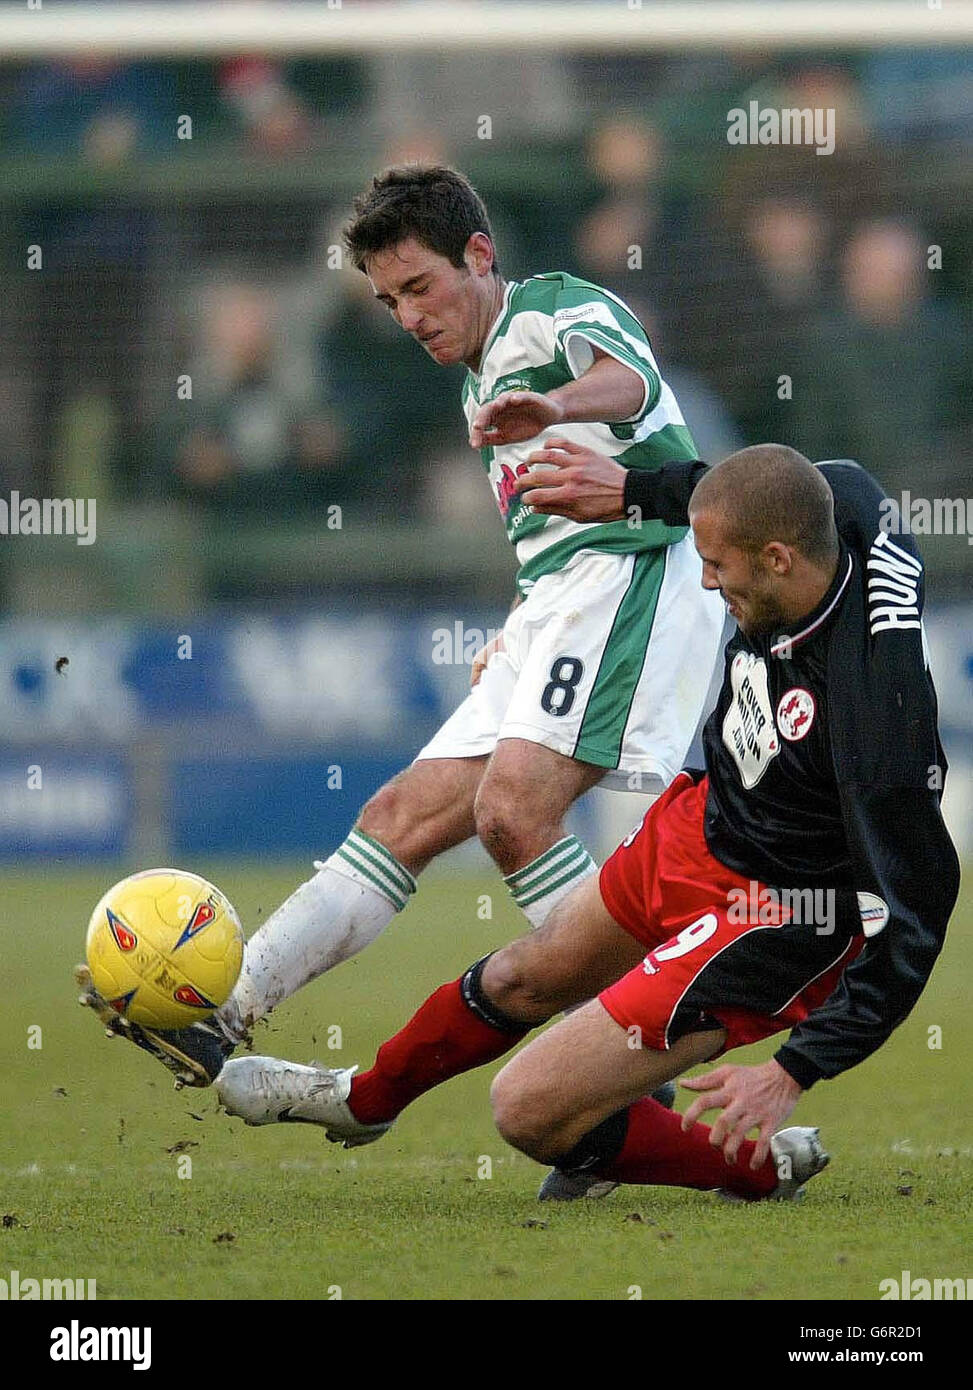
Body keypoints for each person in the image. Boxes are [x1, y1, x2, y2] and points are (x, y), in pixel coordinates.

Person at [77, 165, 723, 1089]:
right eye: (388, 302)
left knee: (514, 812)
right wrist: (520, 626)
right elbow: (545, 541)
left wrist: (556, 406)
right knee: (399, 819)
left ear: (479, 254)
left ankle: (630, 1052)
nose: (410, 315)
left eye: (420, 287)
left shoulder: (550, 310)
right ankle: (223, 1014)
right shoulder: (473, 390)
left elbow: (627, 380)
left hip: (635, 578)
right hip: (559, 601)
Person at [216, 442, 959, 1205]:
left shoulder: (877, 720)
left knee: (527, 1108)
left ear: (776, 560)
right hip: (702, 821)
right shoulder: (836, 498)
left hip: (773, 916)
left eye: (717, 567)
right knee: (521, 976)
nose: (705, 580)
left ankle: (761, 1168)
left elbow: (915, 916)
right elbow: (731, 493)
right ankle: (361, 1102)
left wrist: (793, 1069)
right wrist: (635, 487)